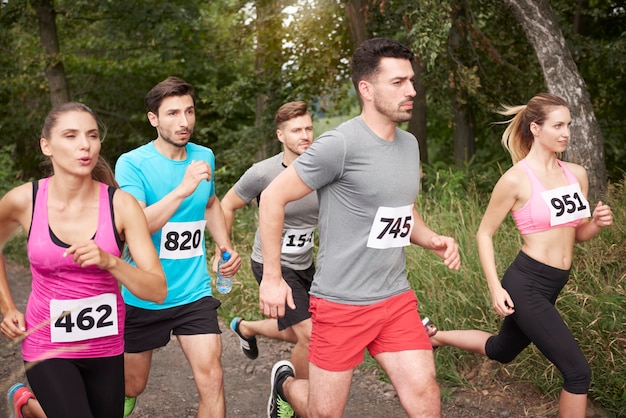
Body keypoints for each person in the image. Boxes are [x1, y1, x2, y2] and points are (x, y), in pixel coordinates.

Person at [258, 38, 461, 418]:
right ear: (366, 89)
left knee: (425, 393)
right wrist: (272, 276)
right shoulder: (340, 145)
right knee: (324, 412)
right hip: (341, 303)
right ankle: (285, 385)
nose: (412, 90)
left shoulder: (409, 144)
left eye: (412, 81)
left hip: (395, 297)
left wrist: (430, 238)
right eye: (398, 82)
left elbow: (404, 212)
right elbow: (272, 198)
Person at [429, 93, 613, 418]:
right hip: (526, 283)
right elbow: (484, 233)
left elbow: (577, 235)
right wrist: (494, 288)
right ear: (536, 128)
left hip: (554, 282)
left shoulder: (576, 174)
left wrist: (595, 224)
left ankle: (435, 337)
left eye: (568, 125)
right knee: (577, 373)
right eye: (558, 125)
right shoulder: (515, 179)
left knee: (503, 349)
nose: (565, 132)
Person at [0, 102, 167, 418]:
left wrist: (110, 261)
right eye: (71, 135)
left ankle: (28, 407)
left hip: (104, 345)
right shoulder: (24, 200)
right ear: (46, 146)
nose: (84, 145)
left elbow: (157, 290)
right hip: (46, 344)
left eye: (91, 135)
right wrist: (7, 306)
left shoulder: (121, 205)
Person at [114, 76, 241, 418]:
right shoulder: (132, 163)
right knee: (131, 386)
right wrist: (182, 189)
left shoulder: (204, 156)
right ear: (153, 119)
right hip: (143, 294)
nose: (184, 122)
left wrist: (223, 246)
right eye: (172, 113)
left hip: (192, 292)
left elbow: (211, 203)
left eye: (189, 111)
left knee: (212, 377)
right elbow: (136, 226)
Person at [218, 101, 318, 379]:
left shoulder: (323, 169)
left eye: (309, 128)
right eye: (296, 130)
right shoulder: (263, 172)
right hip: (271, 264)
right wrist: (223, 249)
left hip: (305, 263)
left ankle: (246, 328)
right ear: (280, 136)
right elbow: (226, 205)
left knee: (302, 327)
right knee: (310, 335)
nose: (305, 135)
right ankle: (293, 394)